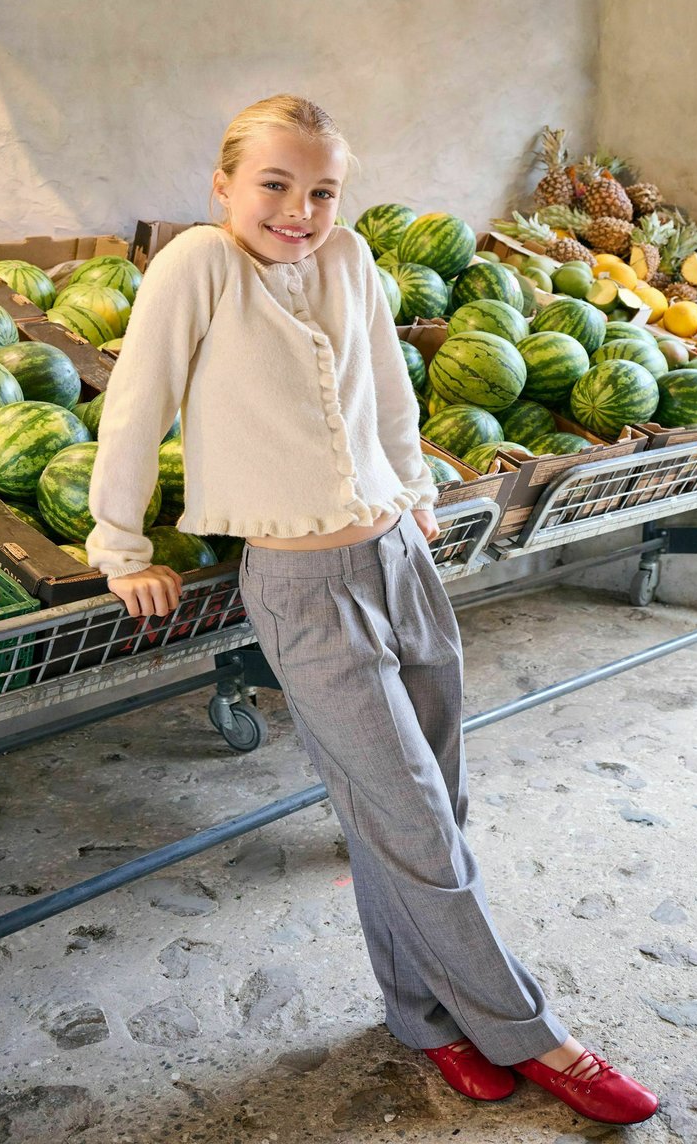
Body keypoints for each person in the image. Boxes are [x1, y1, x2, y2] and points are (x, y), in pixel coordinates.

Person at [86, 94, 658, 1126]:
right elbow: (134, 404)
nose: (297, 209)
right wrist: (120, 545)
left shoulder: (349, 259)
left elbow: (388, 389)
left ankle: (421, 1017)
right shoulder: (196, 269)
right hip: (301, 589)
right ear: (222, 185)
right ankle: (536, 1035)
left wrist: (416, 491)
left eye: (318, 190)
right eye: (272, 184)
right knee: (412, 825)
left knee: (427, 803)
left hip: (398, 557)